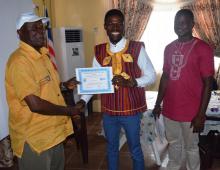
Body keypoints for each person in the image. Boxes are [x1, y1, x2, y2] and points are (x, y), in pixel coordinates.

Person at [76, 9, 156, 170]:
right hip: (109, 112)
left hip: (131, 111)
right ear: (105, 26)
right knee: (111, 149)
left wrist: (133, 82)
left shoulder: (136, 48)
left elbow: (152, 75)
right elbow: (94, 81)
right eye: (111, 23)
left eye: (119, 23)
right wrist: (83, 101)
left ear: (124, 26)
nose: (115, 26)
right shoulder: (99, 51)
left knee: (135, 149)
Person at [5, 12, 80, 170]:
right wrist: (69, 111)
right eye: (34, 29)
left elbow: (45, 88)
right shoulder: (20, 62)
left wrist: (65, 85)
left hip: (53, 133)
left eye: (41, 28)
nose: (41, 32)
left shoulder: (43, 55)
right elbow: (35, 104)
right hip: (35, 140)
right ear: (20, 33)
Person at [153, 9, 214, 170]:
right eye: (176, 22)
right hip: (170, 110)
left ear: (192, 25)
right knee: (174, 145)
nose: (179, 26)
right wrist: (158, 103)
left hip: (192, 112)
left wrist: (201, 114)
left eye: (183, 22)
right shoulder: (168, 48)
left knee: (191, 148)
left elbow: (208, 83)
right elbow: (165, 77)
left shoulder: (203, 48)